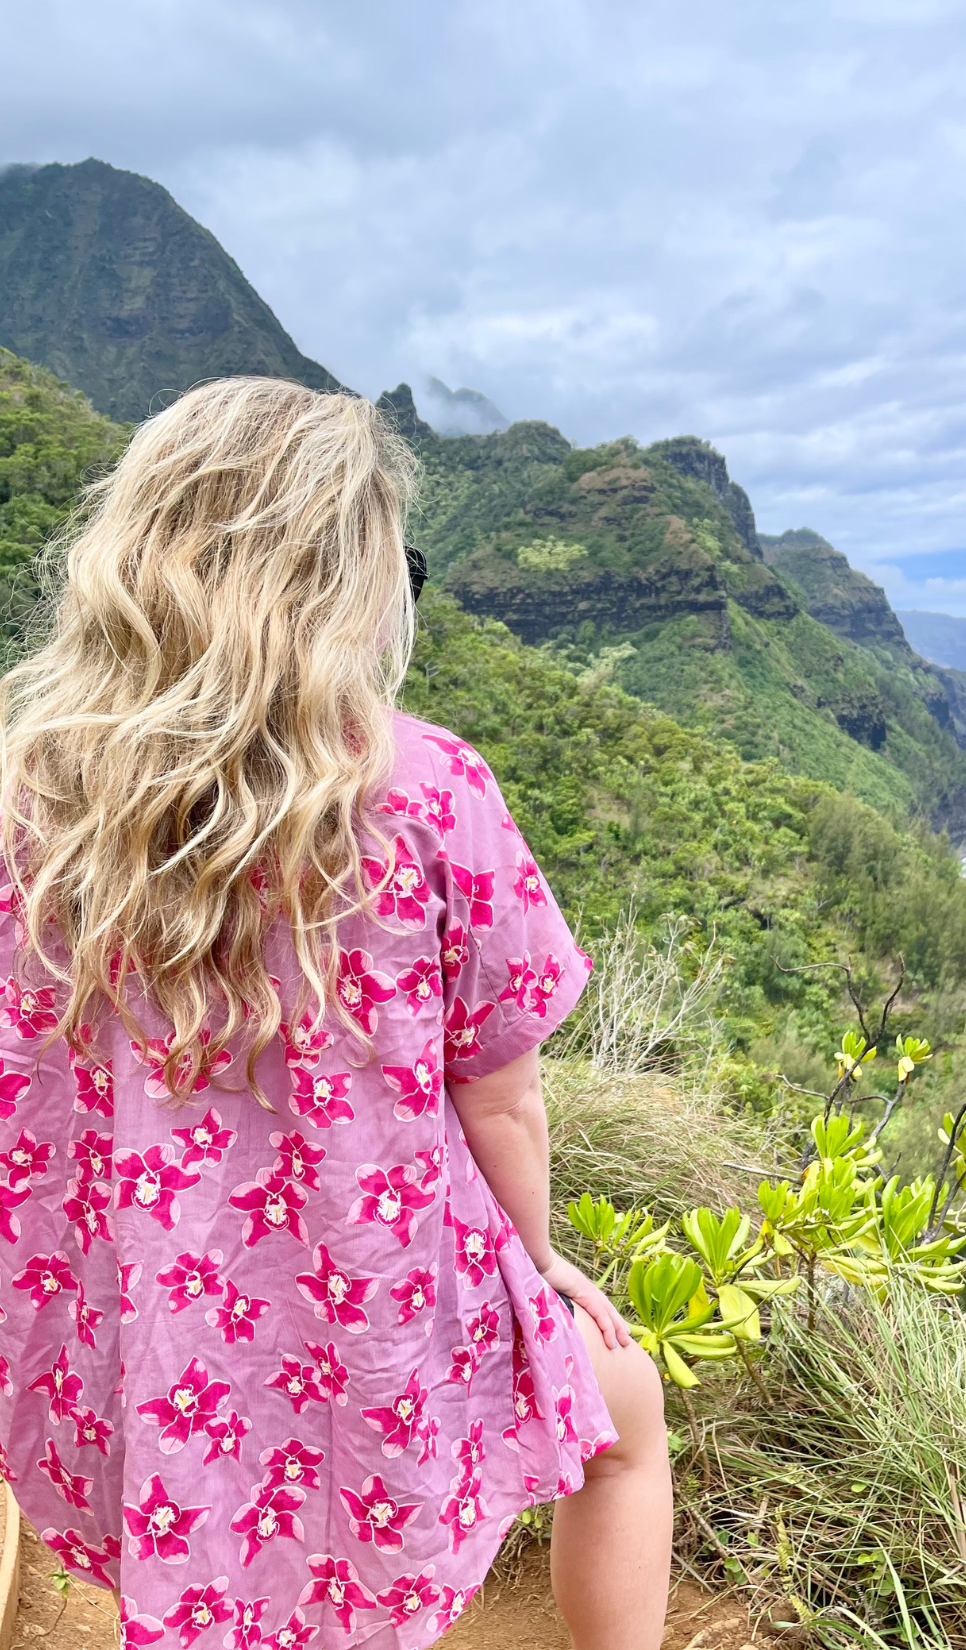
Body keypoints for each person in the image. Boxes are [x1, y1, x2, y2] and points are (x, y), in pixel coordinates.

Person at [0, 380, 672, 1650]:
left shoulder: (35, 795)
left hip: (131, 1319)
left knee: (217, 1548)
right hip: (369, 1324)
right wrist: (537, 1267)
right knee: (623, 1425)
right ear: (345, 575)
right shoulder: (422, 790)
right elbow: (502, 1097)